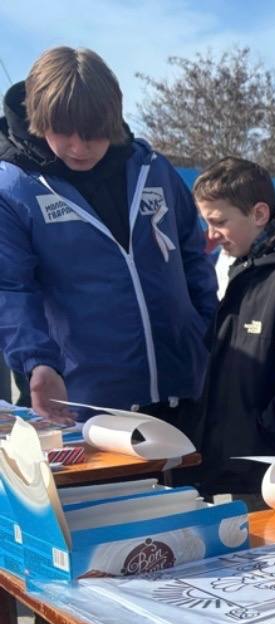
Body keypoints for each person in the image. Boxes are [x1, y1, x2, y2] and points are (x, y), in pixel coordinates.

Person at [0, 47, 216, 425]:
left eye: (93, 133)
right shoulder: (14, 190)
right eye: (63, 132)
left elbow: (192, 253)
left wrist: (209, 328)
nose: (79, 147)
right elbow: (11, 288)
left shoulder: (153, 170)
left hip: (186, 389)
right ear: (37, 118)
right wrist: (38, 362)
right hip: (88, 406)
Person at [182, 157, 275, 498]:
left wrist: (260, 432)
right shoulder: (244, 273)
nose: (211, 234)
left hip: (263, 477)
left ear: (258, 214)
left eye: (219, 222)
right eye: (206, 222)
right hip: (224, 466)